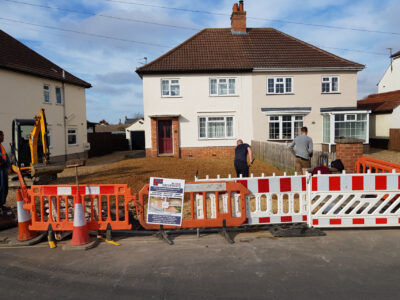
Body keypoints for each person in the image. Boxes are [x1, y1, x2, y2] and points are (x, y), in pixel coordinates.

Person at [0, 131, 10, 212]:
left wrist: (8, 165)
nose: (3, 137)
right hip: (0, 169)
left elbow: (5, 156)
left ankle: (1, 204)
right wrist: (3, 162)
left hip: (3, 169)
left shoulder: (1, 145)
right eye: (2, 136)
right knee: (1, 186)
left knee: (4, 187)